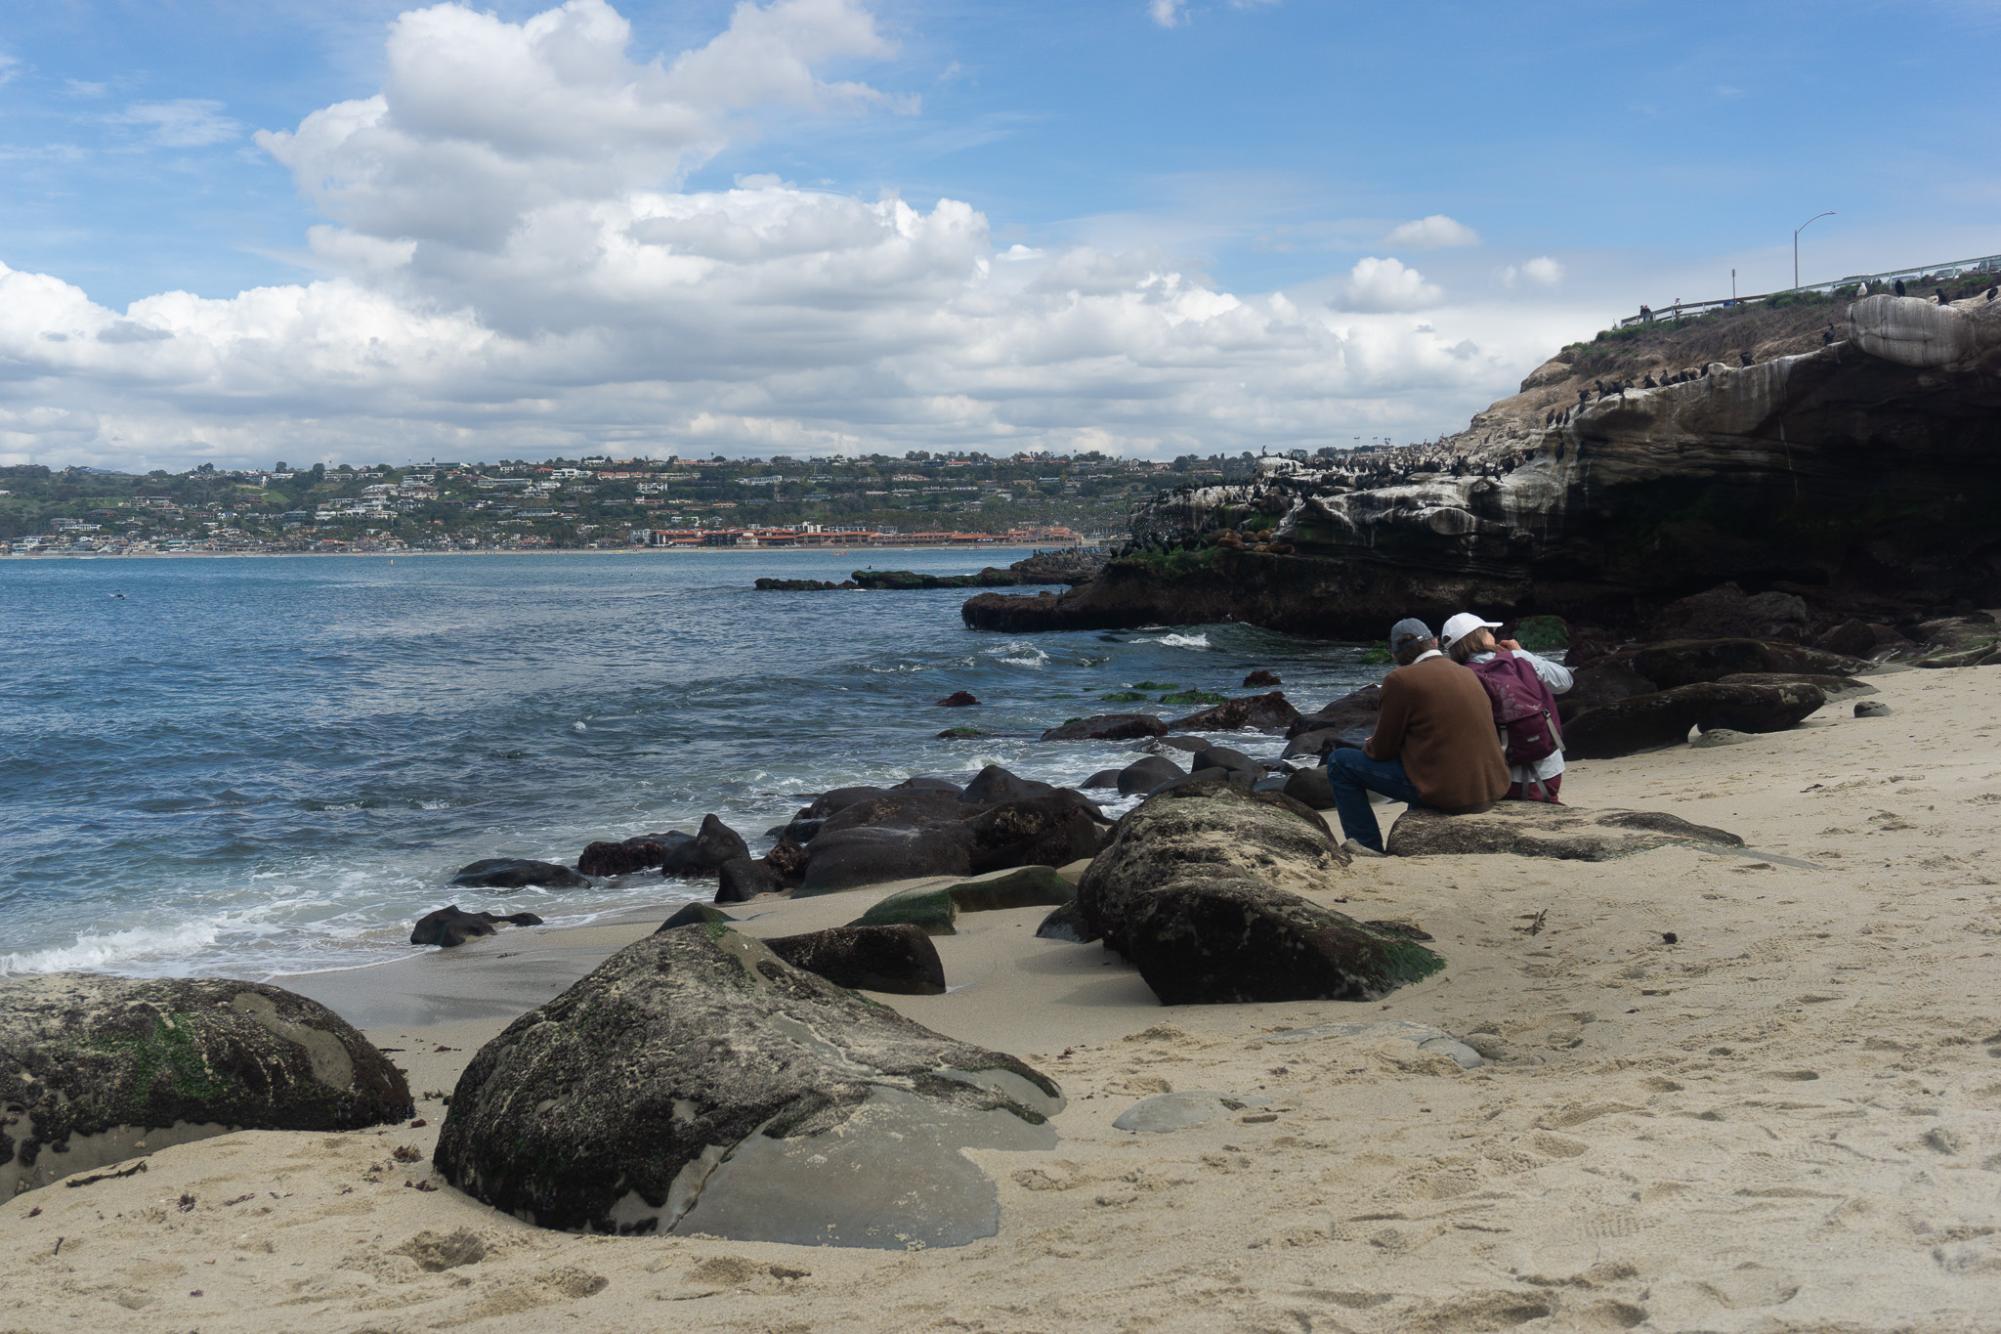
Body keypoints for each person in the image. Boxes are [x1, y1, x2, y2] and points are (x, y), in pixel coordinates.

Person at [1324, 617, 1509, 857]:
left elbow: (1382, 750)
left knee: (1340, 762)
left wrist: (1370, 744)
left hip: (1450, 794)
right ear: (1434, 642)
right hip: (1488, 788)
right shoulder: (1465, 672)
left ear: (1395, 654)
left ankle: (1365, 845)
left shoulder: (1400, 680)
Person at [1440, 612, 1574, 802]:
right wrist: (1523, 654)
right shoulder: (1518, 659)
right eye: (1488, 630)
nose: (1492, 634)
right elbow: (1565, 681)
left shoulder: (1459, 677)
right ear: (1480, 636)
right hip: (1549, 767)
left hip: (1502, 776)